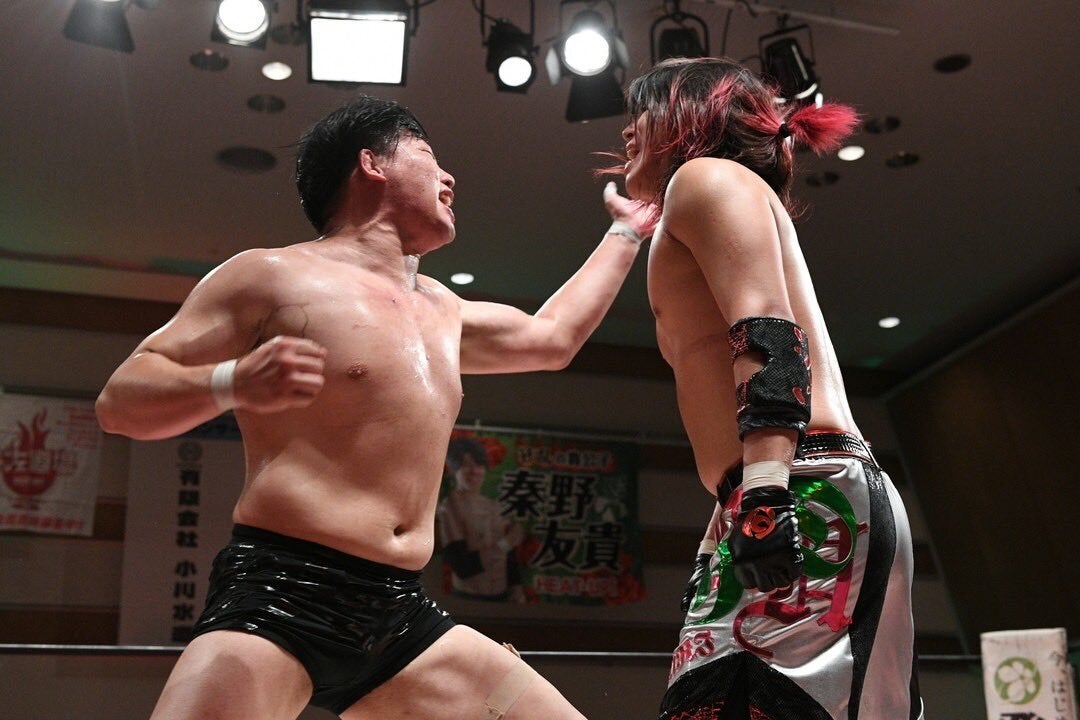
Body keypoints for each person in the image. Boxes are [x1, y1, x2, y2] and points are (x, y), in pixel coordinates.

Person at [95, 94, 652, 720]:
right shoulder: (269, 276)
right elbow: (120, 400)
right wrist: (231, 381)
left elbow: (553, 339)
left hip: (400, 616)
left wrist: (626, 231)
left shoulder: (444, 310)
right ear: (372, 163)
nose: (449, 178)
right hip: (279, 595)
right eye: (429, 154)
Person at [607, 58, 923, 719]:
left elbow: (769, 330)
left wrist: (766, 496)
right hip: (781, 485)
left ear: (690, 115)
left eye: (642, 111)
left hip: (798, 485)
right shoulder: (706, 195)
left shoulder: (706, 178)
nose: (627, 130)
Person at [438, 436, 527, 602]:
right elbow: (463, 567)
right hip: (468, 599)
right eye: (466, 464)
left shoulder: (495, 506)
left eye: (479, 464)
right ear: (454, 469)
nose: (474, 470)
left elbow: (509, 557)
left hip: (503, 597)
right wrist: (506, 543)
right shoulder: (449, 507)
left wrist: (516, 587)